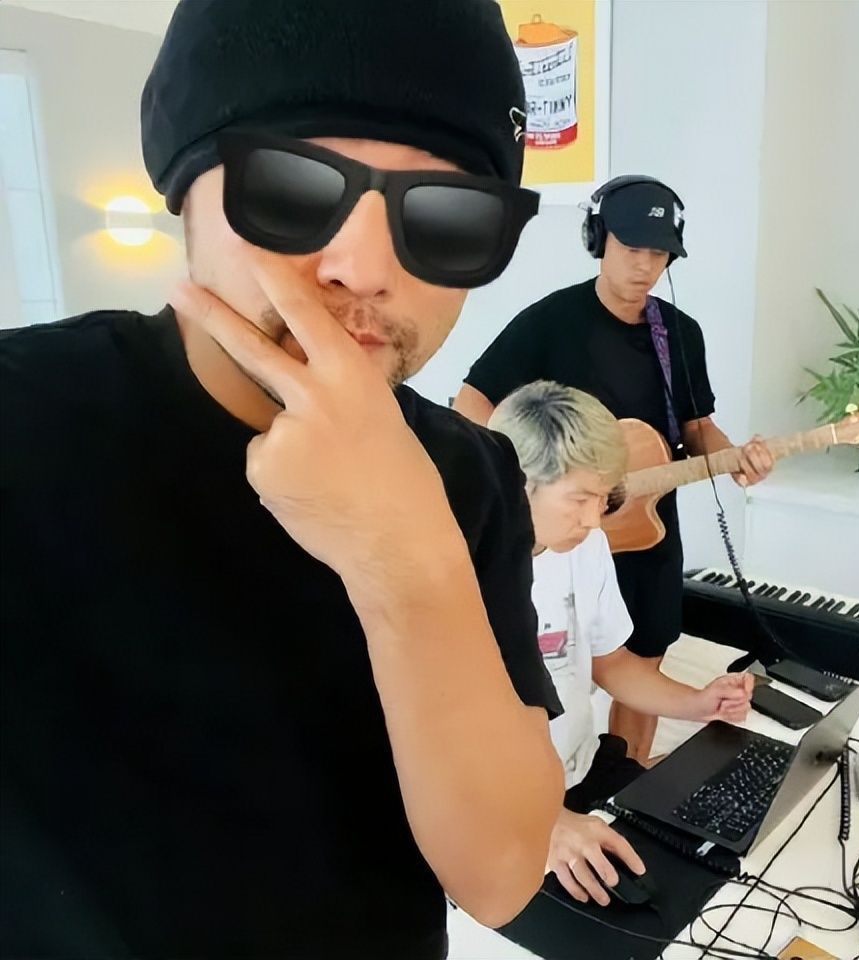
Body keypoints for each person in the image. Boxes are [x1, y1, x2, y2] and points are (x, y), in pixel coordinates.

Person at [0, 2, 565, 957]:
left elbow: (501, 874)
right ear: (183, 186)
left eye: (446, 215)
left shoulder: (471, 473)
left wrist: (405, 558)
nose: (364, 269)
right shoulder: (23, 420)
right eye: (295, 189)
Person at [454, 176, 774, 763]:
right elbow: (471, 403)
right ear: (598, 239)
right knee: (546, 655)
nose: (645, 266)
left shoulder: (679, 334)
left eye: (659, 253)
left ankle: (625, 775)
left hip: (646, 524)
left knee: (643, 651)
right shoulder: (551, 321)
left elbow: (696, 427)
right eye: (632, 248)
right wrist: (514, 485)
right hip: (562, 526)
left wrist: (735, 459)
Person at [487, 381, 754, 907]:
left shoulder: (584, 545)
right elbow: (447, 740)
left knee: (712, 866)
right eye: (578, 500)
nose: (594, 520)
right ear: (517, 483)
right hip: (499, 806)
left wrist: (698, 702)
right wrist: (546, 820)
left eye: (602, 498)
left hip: (581, 771)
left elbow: (610, 663)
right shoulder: (463, 569)